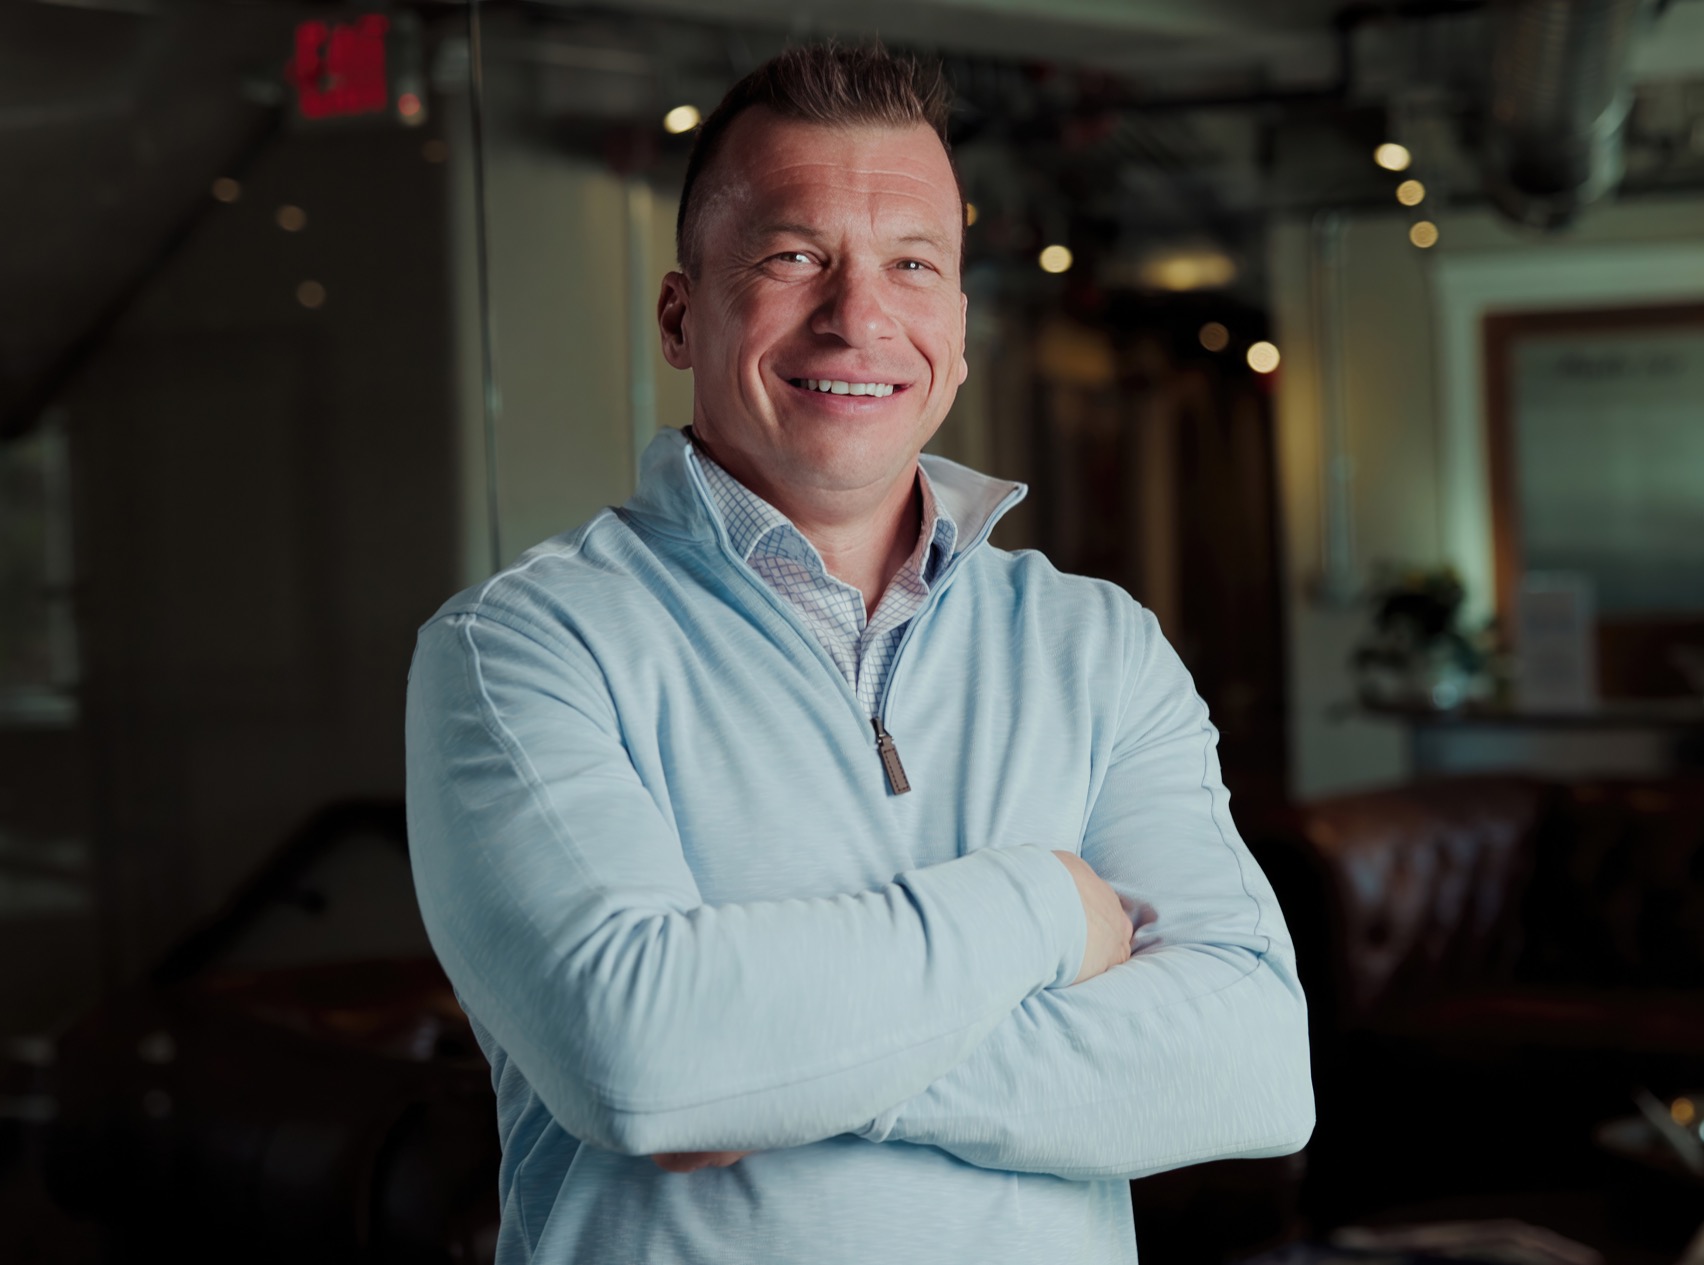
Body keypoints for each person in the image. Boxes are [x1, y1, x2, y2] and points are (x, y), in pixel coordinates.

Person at [404, 42, 1311, 1265]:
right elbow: (646, 1063)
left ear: (960, 327)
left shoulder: (1093, 645)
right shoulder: (522, 648)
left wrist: (766, 1069)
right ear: (681, 313)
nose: (858, 315)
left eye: (912, 264)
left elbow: (1253, 1065)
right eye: (793, 257)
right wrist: (1042, 905)